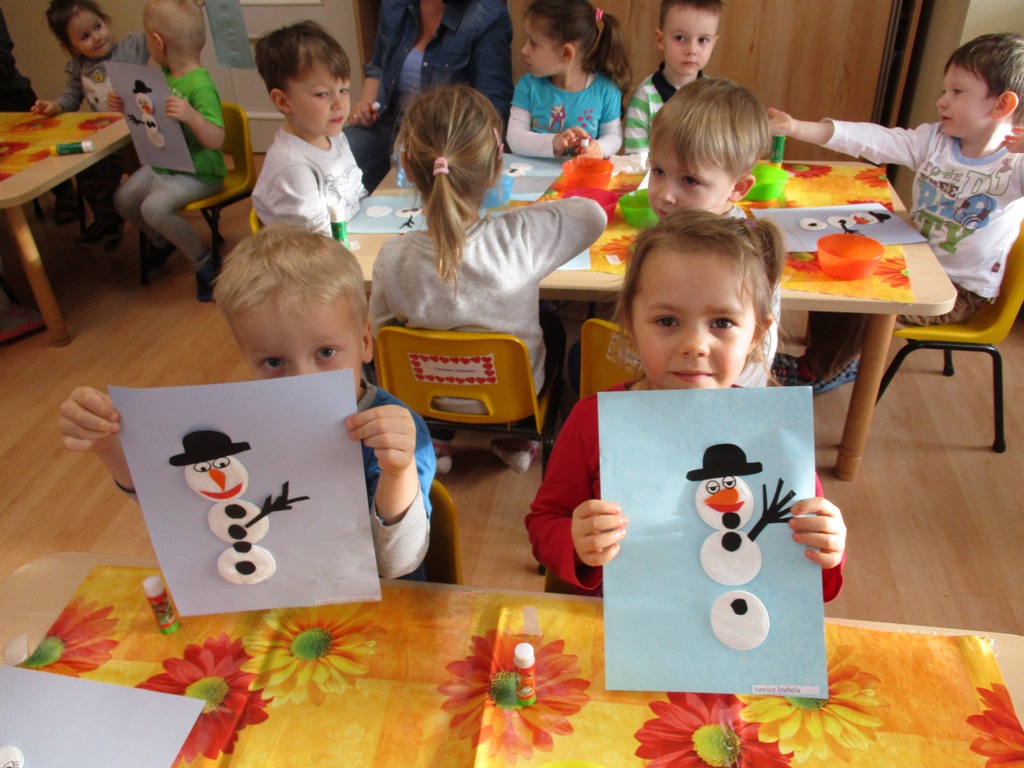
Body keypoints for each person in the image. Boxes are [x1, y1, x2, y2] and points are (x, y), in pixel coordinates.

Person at [58, 225, 436, 580]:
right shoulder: (240, 428)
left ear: (365, 341)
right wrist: (108, 444)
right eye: (273, 362)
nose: (302, 381)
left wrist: (398, 471)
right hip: (281, 590)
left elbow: (396, 565)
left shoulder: (395, 430)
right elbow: (181, 506)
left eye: (325, 352)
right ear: (246, 357)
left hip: (382, 606)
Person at [526, 209, 847, 599]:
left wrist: (827, 548)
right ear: (631, 324)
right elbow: (544, 524)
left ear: (756, 335)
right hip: (629, 616)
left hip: (740, 617)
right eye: (667, 321)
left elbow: (806, 572)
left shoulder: (773, 432)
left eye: (722, 323)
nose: (695, 345)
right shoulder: (593, 421)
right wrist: (575, 541)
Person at [768, 32, 1024, 393]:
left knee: (863, 301)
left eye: (957, 92)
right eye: (945, 90)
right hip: (911, 257)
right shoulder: (935, 140)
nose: (941, 101)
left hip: (957, 289)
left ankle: (818, 371)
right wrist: (796, 128)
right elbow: (874, 140)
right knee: (834, 270)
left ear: (1001, 105)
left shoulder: (1014, 166)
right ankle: (829, 356)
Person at [370, 84, 606, 474]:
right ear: (497, 168)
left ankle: (438, 435)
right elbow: (593, 214)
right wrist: (525, 216)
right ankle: (519, 437)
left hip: (423, 397)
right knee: (554, 328)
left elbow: (382, 337)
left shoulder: (392, 257)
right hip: (514, 399)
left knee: (416, 338)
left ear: (407, 168)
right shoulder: (521, 237)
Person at [648, 77, 779, 387]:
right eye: (658, 171)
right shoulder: (679, 225)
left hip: (718, 393)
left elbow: (757, 352)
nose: (665, 194)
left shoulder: (741, 255)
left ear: (738, 188)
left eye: (689, 180)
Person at [111, 0, 226, 302]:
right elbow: (149, 118)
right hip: (166, 164)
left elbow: (216, 139)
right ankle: (162, 240)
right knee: (123, 198)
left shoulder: (200, 85)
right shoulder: (161, 75)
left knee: (153, 208)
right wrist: (124, 104)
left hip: (201, 172)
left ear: (158, 42)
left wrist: (192, 117)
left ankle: (203, 262)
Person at [345, 0, 513, 193]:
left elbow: (494, 105)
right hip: (389, 125)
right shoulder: (393, 5)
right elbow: (378, 66)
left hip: (446, 137)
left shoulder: (487, 16)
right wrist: (366, 104)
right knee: (336, 152)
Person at [32, 0, 150, 250]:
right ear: (68, 46)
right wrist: (54, 106)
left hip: (142, 136)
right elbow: (71, 98)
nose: (96, 37)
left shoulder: (131, 47)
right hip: (111, 142)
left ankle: (129, 221)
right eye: (85, 36)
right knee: (88, 168)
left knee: (116, 171)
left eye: (98, 27)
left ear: (106, 21)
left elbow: (158, 31)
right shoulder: (78, 67)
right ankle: (108, 221)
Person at [251, 21, 366, 236]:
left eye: (343, 90)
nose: (339, 104)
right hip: (313, 253)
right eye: (322, 94)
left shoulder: (335, 136)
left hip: (349, 238)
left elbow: (357, 194)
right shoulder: (292, 167)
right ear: (283, 102)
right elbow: (318, 242)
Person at [506, 0, 631, 160]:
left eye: (533, 43)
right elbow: (514, 138)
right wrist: (554, 142)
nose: (524, 50)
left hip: (583, 174)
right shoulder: (528, 86)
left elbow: (614, 136)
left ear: (566, 53)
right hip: (534, 173)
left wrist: (599, 148)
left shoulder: (606, 91)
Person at [623, 0, 722, 156]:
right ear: (660, 40)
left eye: (702, 40)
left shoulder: (716, 97)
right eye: (680, 38)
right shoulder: (644, 98)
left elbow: (722, 153)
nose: (692, 50)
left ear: (713, 43)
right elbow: (636, 161)